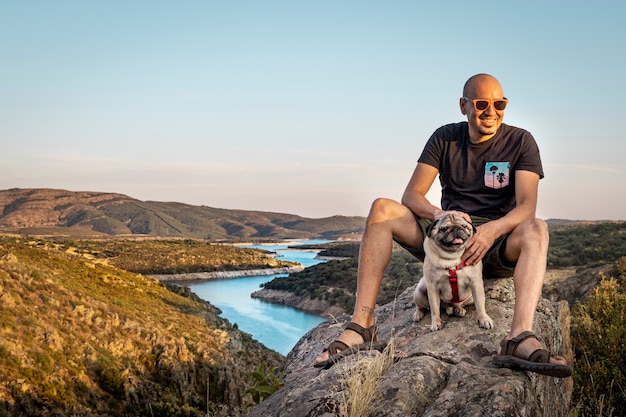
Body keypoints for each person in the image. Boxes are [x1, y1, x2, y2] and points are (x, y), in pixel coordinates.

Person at [314, 73, 572, 377]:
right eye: (481, 103)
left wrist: (491, 230)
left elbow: (527, 207)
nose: (491, 111)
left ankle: (518, 337)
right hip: (446, 237)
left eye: (499, 103)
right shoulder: (445, 137)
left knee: (537, 228)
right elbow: (411, 195)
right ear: (463, 106)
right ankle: (363, 325)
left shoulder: (520, 141)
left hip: (495, 243)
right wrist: (439, 215)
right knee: (381, 209)